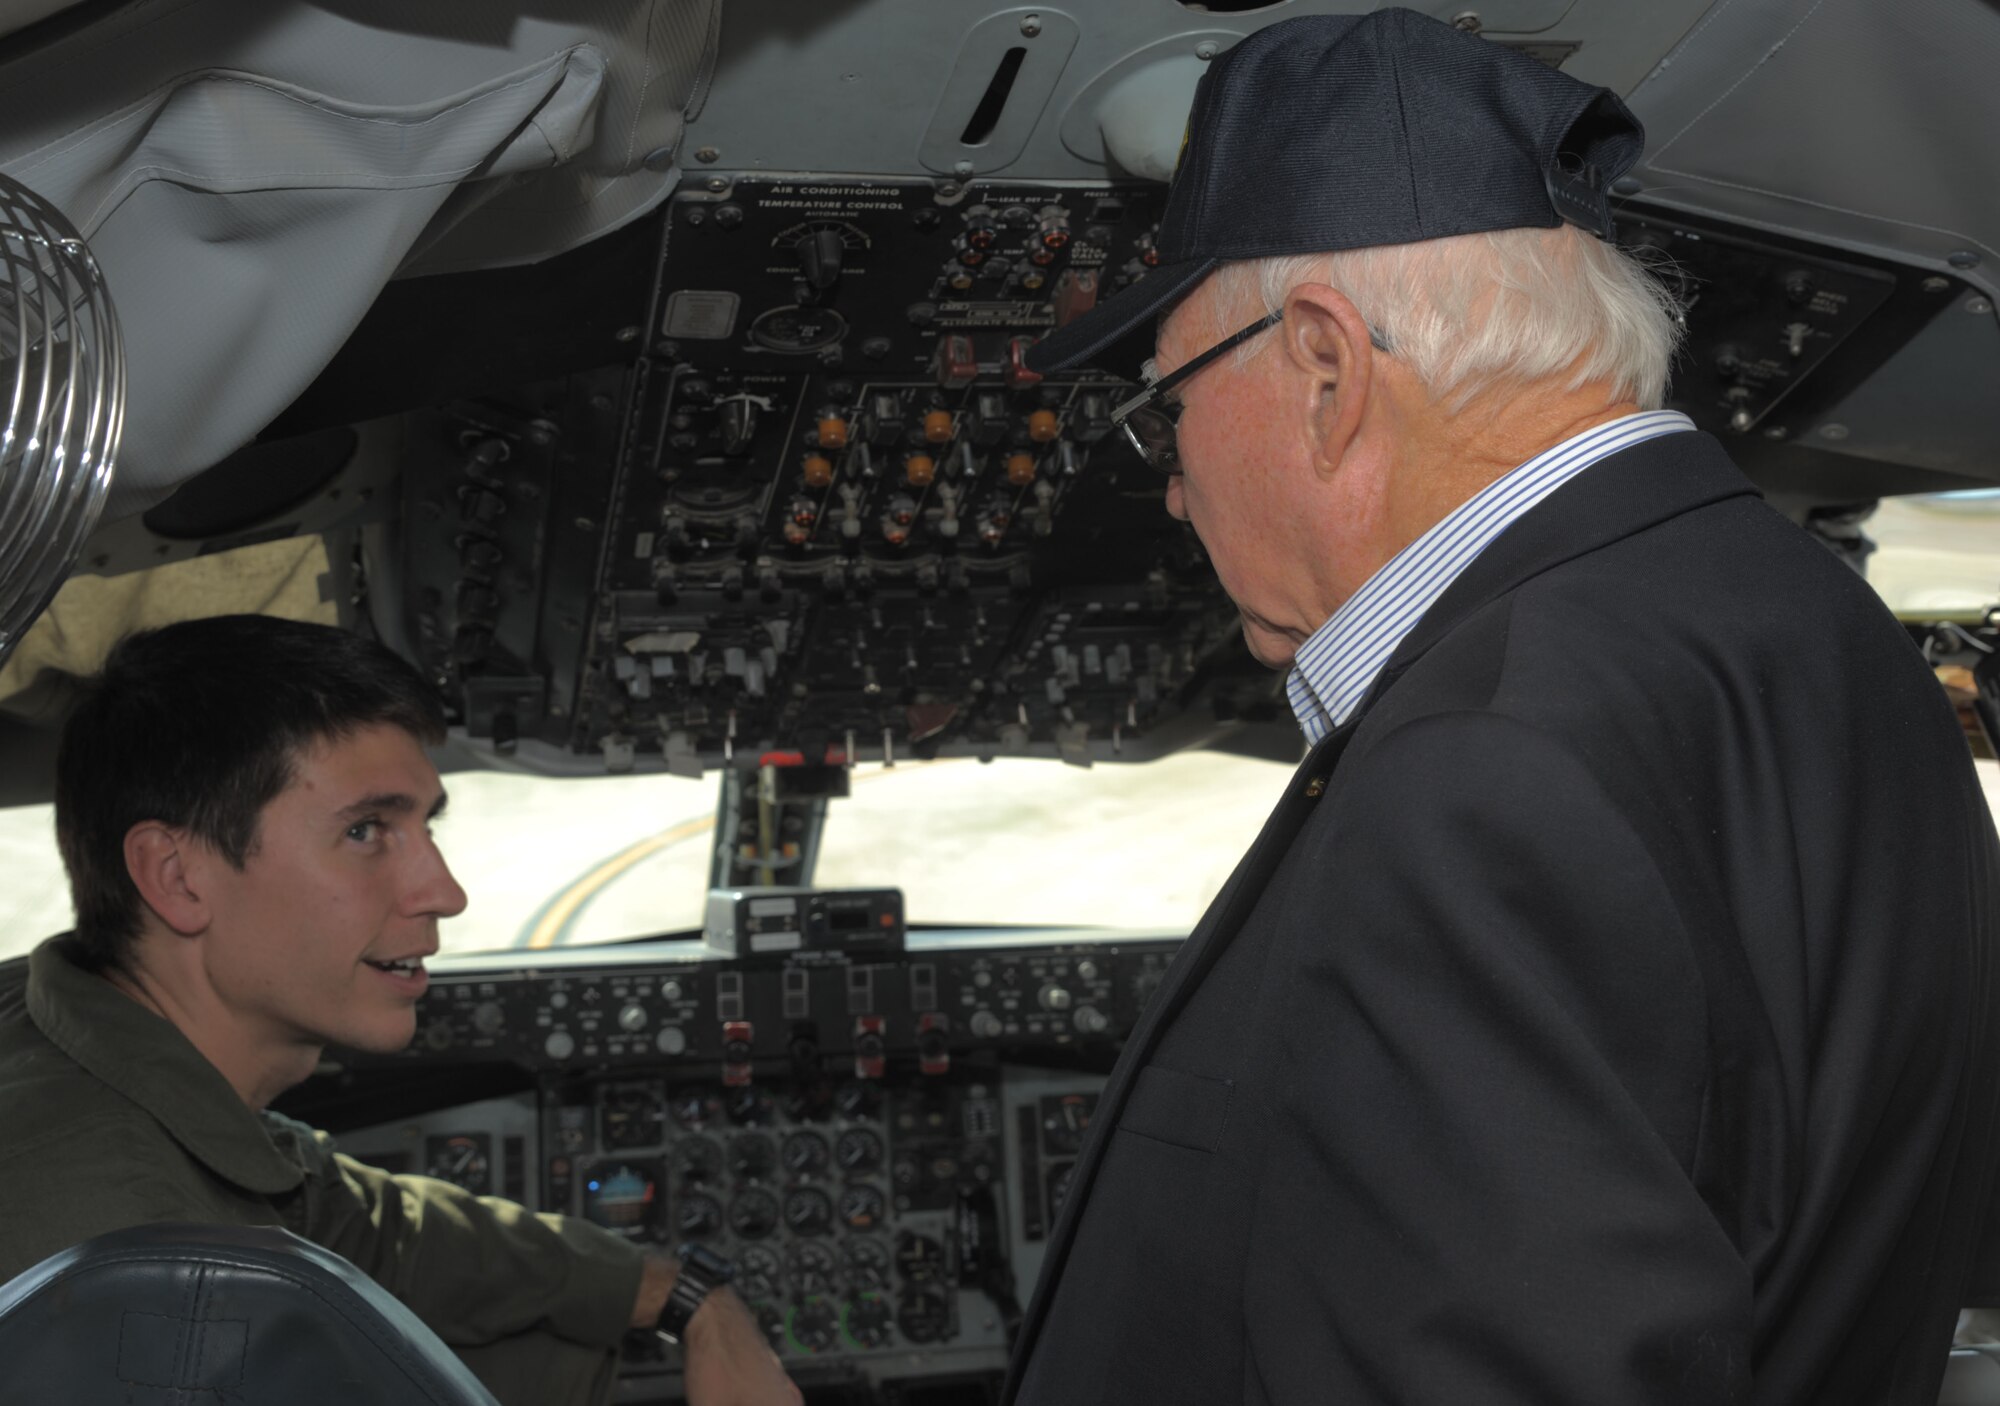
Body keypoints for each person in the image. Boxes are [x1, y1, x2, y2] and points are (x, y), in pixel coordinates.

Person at [1003, 10, 2000, 1406]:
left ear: (1327, 373)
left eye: (1167, 406)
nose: (1170, 481)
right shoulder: (1825, 633)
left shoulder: (1486, 759)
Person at [0, 614, 800, 1406]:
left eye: (423, 826)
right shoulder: (127, 1257)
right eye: (365, 830)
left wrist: (689, 1298)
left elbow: (374, 1227)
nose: (445, 893)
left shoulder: (82, 1040)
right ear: (176, 876)